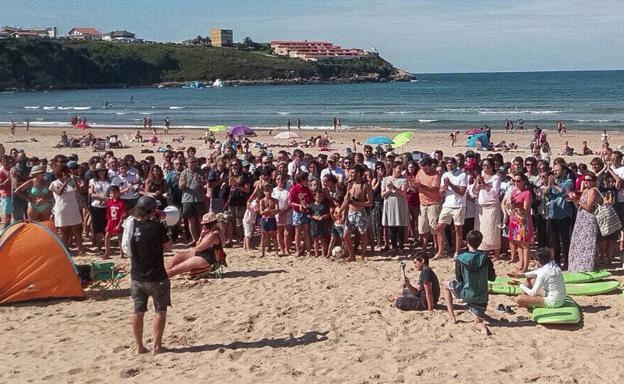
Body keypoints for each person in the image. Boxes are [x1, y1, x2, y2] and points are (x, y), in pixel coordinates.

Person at [129, 196, 172, 355]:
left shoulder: (131, 225)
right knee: (160, 310)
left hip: (137, 275)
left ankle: (139, 346)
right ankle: (157, 346)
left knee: (138, 310)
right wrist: (162, 225)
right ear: (152, 210)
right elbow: (168, 246)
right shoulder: (157, 226)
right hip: (157, 276)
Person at [443, 230, 496, 335]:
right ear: (480, 242)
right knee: (478, 323)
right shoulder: (485, 259)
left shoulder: (461, 258)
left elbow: (459, 279)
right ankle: (481, 327)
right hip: (482, 298)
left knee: (445, 285)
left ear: (467, 241)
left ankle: (451, 317)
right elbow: (492, 278)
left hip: (466, 293)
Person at [567, 172, 601, 272]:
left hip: (589, 220)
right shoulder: (586, 190)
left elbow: (588, 207)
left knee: (587, 244)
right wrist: (574, 200)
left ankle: (587, 267)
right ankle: (578, 267)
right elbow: (580, 207)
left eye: (589, 180)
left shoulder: (593, 191)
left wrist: (577, 200)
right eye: (585, 180)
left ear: (594, 181)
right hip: (581, 219)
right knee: (578, 243)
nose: (586, 181)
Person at [434, 157, 467, 259]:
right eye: (447, 164)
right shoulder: (445, 175)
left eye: (451, 164)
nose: (449, 166)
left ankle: (457, 252)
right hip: (447, 204)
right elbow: (440, 192)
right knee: (439, 227)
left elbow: (462, 192)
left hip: (458, 205)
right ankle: (440, 251)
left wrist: (451, 185)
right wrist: (443, 189)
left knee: (457, 229)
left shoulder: (462, 175)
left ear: (455, 164)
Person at [51, 164, 84, 255]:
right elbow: (59, 193)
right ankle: (64, 250)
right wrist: (65, 182)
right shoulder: (54, 183)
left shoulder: (71, 181)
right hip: (62, 208)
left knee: (77, 230)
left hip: (73, 207)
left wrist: (75, 181)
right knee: (64, 232)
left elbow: (79, 190)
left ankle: (80, 249)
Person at [343, 165, 372, 261]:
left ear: (358, 173)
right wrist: (341, 210)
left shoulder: (365, 186)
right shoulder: (350, 184)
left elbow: (369, 202)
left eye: (352, 173)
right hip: (351, 213)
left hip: (360, 212)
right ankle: (352, 255)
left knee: (363, 234)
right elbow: (346, 199)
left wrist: (357, 203)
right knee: (346, 235)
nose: (350, 174)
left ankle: (363, 254)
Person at [414, 157, 442, 252]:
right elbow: (416, 184)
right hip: (423, 203)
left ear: (430, 166)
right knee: (422, 227)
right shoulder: (420, 172)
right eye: (422, 168)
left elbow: (435, 189)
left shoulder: (436, 175)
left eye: (426, 168)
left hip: (433, 203)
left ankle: (436, 246)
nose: (424, 170)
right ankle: (424, 247)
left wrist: (420, 186)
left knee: (434, 227)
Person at [508, 172, 533, 272]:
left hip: (523, 220)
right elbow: (512, 207)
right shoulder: (514, 192)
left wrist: (517, 205)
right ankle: (521, 264)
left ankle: (525, 267)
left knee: (525, 245)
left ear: (523, 181)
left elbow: (526, 210)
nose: (516, 183)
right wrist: (513, 205)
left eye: (519, 181)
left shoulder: (527, 193)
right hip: (515, 219)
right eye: (515, 181)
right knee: (518, 243)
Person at [179, 156, 206, 246]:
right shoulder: (184, 172)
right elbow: (180, 186)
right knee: (191, 220)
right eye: (190, 162)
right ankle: (194, 239)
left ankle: (201, 237)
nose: (192, 164)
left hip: (199, 198)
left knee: (200, 219)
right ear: (187, 163)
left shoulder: (200, 172)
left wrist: (199, 180)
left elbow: (204, 184)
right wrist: (184, 184)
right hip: (187, 199)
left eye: (194, 162)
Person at [289, 172, 313, 257]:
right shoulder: (294, 189)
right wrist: (299, 205)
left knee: (306, 231)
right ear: (302, 180)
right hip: (297, 212)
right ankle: (298, 250)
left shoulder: (307, 189)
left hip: (305, 212)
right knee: (298, 232)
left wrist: (307, 205)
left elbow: (311, 200)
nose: (307, 181)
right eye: (306, 179)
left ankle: (308, 250)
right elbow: (290, 202)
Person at [89, 163, 110, 253]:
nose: (101, 172)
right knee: (97, 227)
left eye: (103, 170)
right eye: (99, 171)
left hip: (107, 206)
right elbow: (91, 193)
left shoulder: (108, 181)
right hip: (96, 206)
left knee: (107, 226)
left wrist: (107, 200)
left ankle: (106, 246)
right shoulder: (93, 181)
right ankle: (99, 247)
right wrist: (102, 198)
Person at [104, 185, 127, 259]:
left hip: (118, 221)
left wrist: (119, 225)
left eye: (114, 193)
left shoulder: (121, 203)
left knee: (120, 238)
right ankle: (107, 253)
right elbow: (108, 214)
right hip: (111, 221)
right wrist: (108, 225)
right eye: (111, 193)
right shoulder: (109, 202)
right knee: (107, 236)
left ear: (118, 193)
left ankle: (122, 253)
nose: (112, 195)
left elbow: (123, 215)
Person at [259, 184, 279, 257]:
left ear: (271, 191)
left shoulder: (275, 200)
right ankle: (262, 253)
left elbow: (277, 210)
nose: (268, 192)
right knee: (263, 236)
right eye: (266, 191)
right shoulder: (262, 201)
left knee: (273, 236)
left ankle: (276, 252)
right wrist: (268, 211)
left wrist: (269, 210)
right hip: (264, 219)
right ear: (264, 192)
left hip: (271, 218)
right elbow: (261, 212)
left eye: (269, 191)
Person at [309, 189, 331, 258]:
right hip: (314, 225)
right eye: (318, 197)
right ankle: (316, 253)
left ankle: (323, 253)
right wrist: (314, 217)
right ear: (315, 197)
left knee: (323, 240)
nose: (320, 198)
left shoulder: (324, 205)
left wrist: (323, 217)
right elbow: (309, 214)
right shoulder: (311, 205)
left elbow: (328, 214)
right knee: (315, 240)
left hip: (322, 225)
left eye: (321, 197)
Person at [0, 155, 13, 227]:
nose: (6, 163)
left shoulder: (11, 170)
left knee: (11, 215)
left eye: (7, 162)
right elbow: (1, 185)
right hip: (6, 195)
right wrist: (8, 179)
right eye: (4, 162)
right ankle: (4, 230)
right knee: (7, 215)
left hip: (12, 194)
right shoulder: (1, 172)